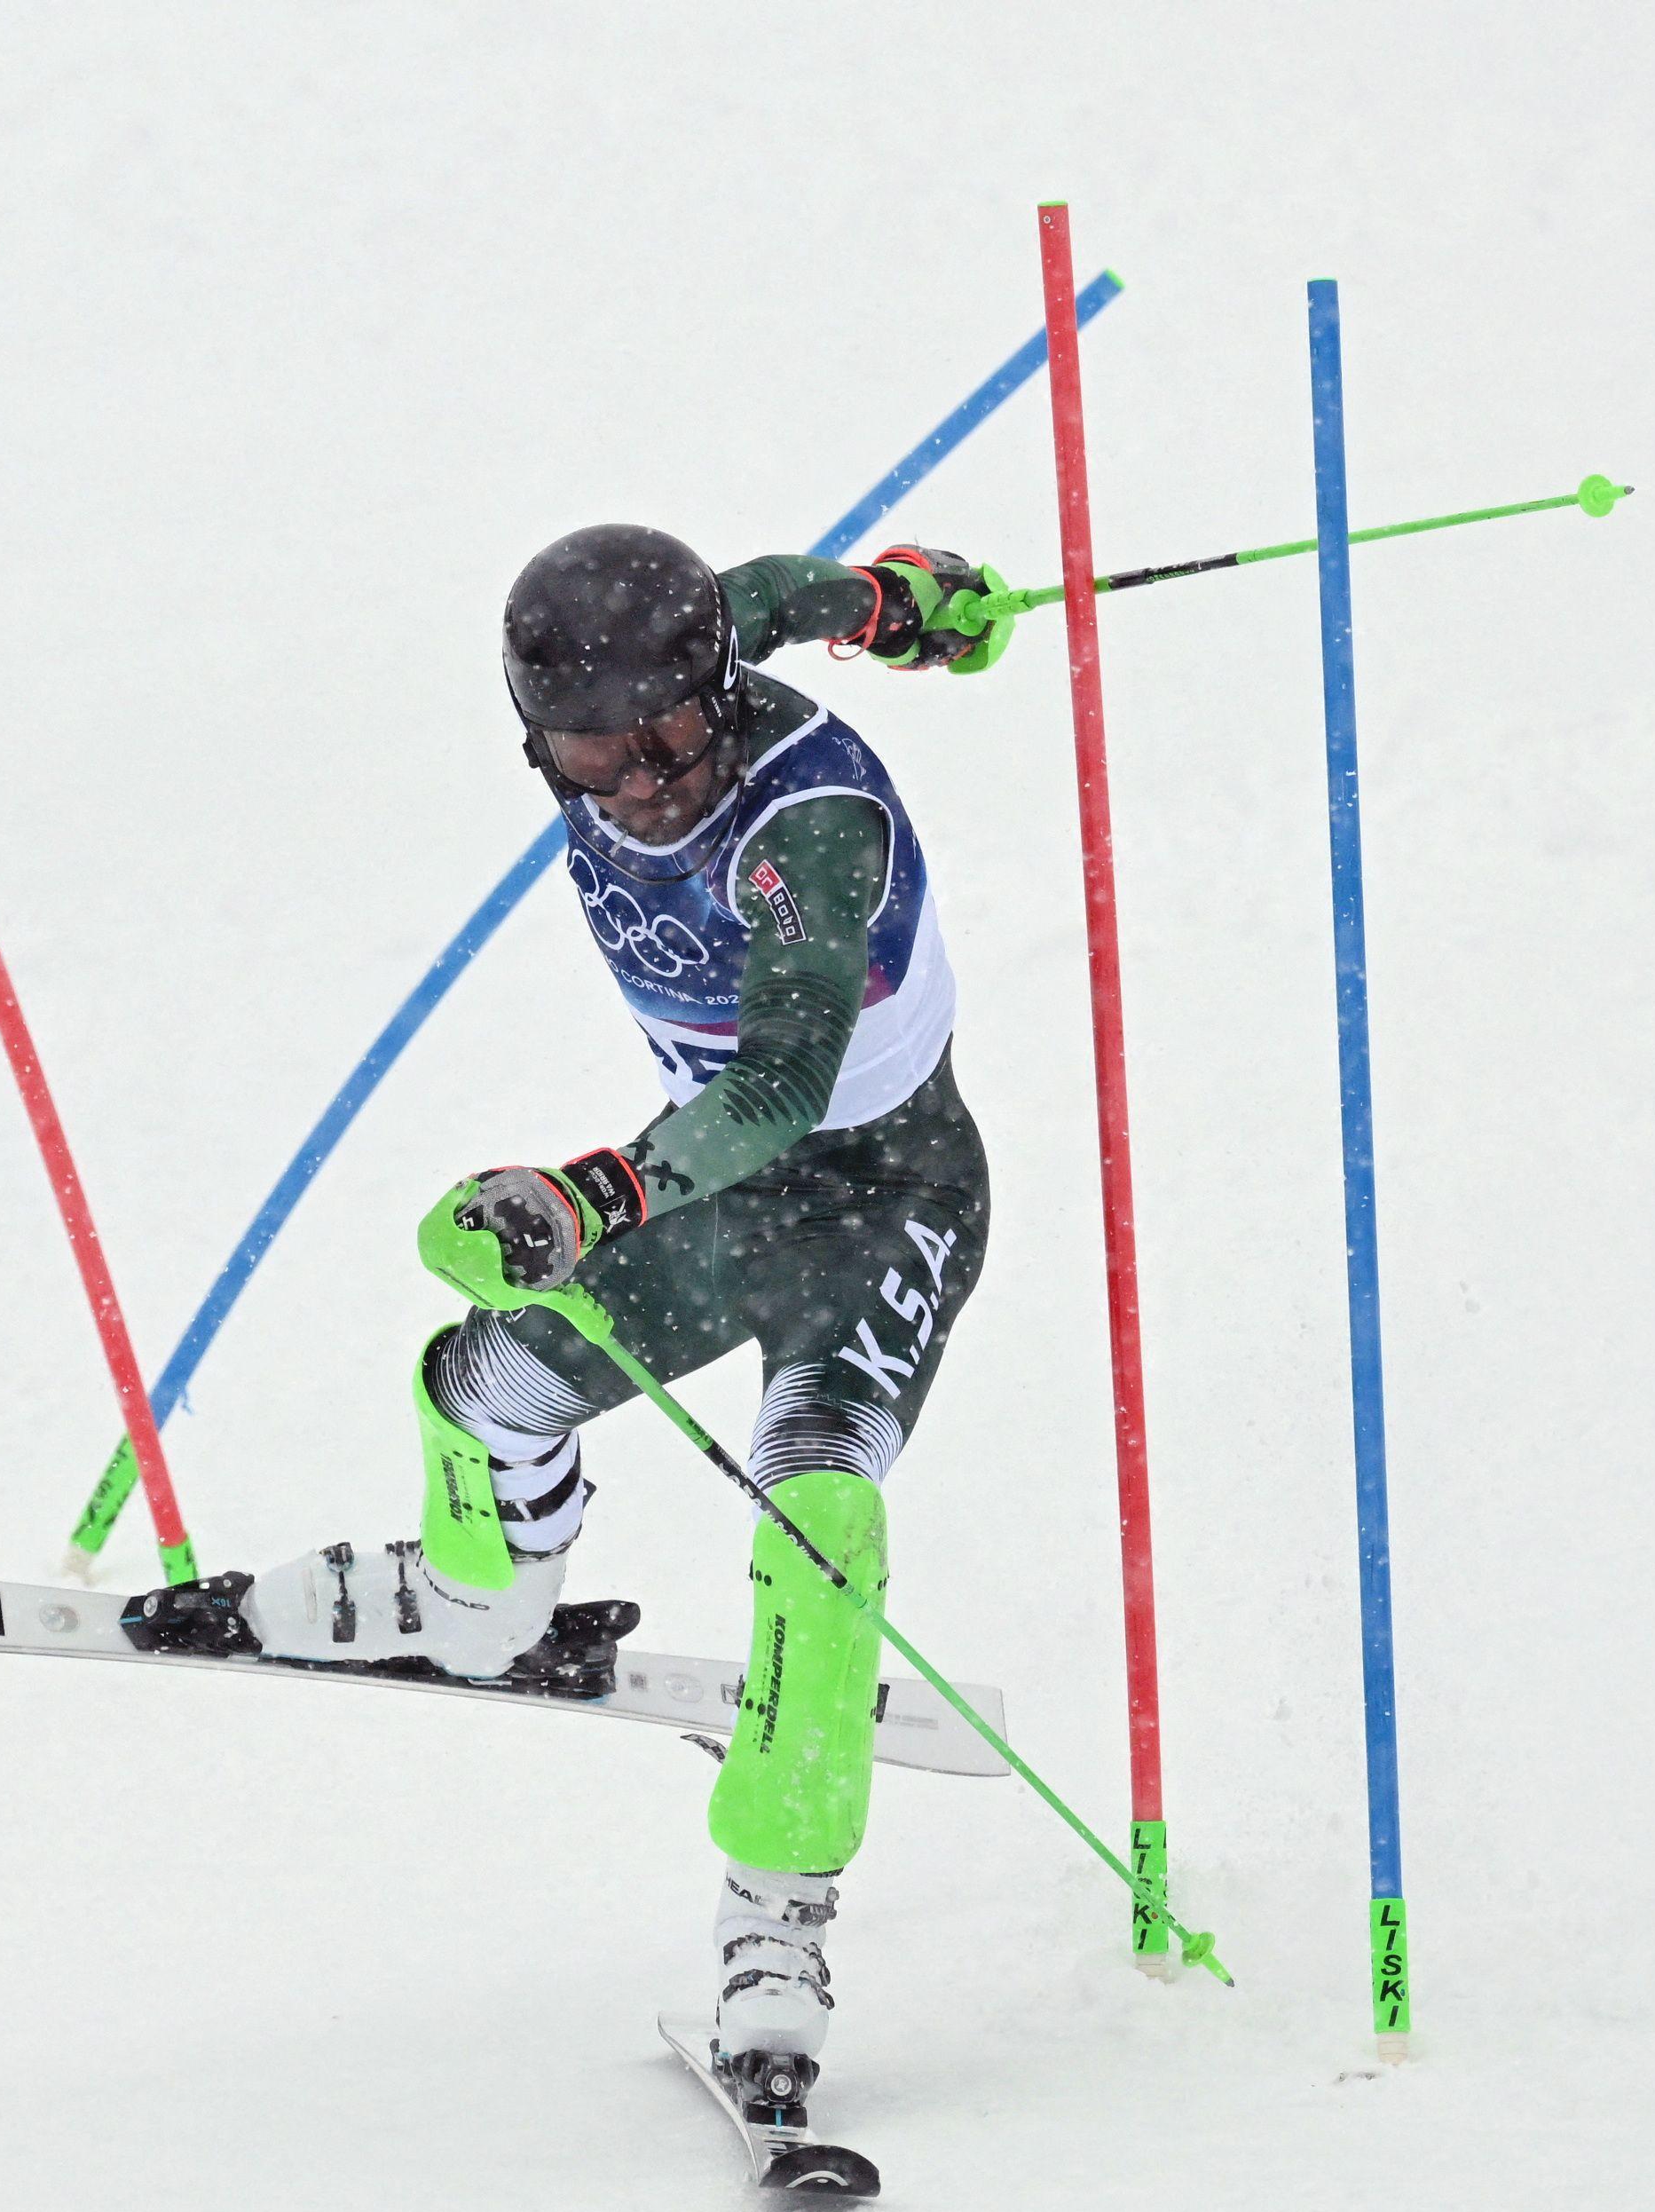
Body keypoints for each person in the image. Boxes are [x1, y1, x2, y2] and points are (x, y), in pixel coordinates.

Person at [134, 524, 1007, 2114]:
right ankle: (480, 1601)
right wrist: (894, 601)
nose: (641, 786)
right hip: (723, 1206)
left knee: (819, 1522)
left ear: (715, 693)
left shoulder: (803, 830)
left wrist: (591, 1196)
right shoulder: (658, 682)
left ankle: (778, 1917)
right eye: (589, 757)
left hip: (883, 1194)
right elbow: (780, 589)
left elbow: (779, 1085)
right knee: (482, 1386)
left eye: (670, 739)